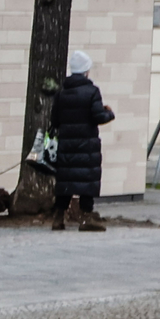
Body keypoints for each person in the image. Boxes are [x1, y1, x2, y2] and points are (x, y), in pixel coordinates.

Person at [49, 49, 114, 233]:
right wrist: (109, 112)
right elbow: (99, 116)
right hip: (86, 147)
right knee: (86, 184)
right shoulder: (92, 91)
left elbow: (55, 121)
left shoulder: (61, 93)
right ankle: (86, 219)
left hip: (66, 146)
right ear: (86, 71)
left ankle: (58, 218)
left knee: (66, 183)